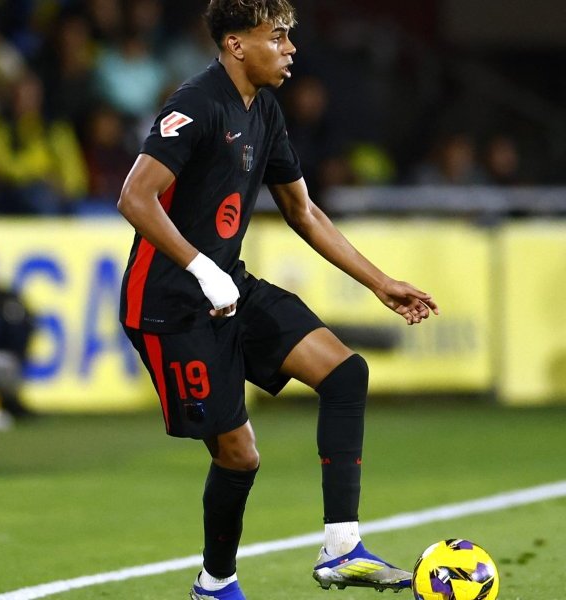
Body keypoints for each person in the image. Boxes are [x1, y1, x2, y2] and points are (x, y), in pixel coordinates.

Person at [115, 2, 437, 599]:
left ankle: (341, 548)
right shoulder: (196, 103)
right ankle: (216, 584)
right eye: (278, 36)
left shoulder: (264, 110)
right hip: (169, 306)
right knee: (239, 456)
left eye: (289, 36)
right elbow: (134, 198)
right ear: (236, 44)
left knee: (345, 373)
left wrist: (379, 281)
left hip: (228, 285)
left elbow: (302, 211)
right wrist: (201, 269)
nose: (290, 49)